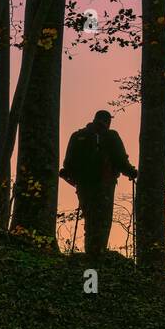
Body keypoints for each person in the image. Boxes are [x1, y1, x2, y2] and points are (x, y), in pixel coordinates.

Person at [61, 110, 137, 257]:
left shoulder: (78, 136)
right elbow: (120, 159)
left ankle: (91, 250)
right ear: (108, 121)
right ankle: (98, 252)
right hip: (105, 184)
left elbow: (67, 163)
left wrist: (74, 177)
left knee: (90, 216)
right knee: (102, 218)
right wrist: (131, 172)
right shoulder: (111, 136)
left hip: (83, 184)